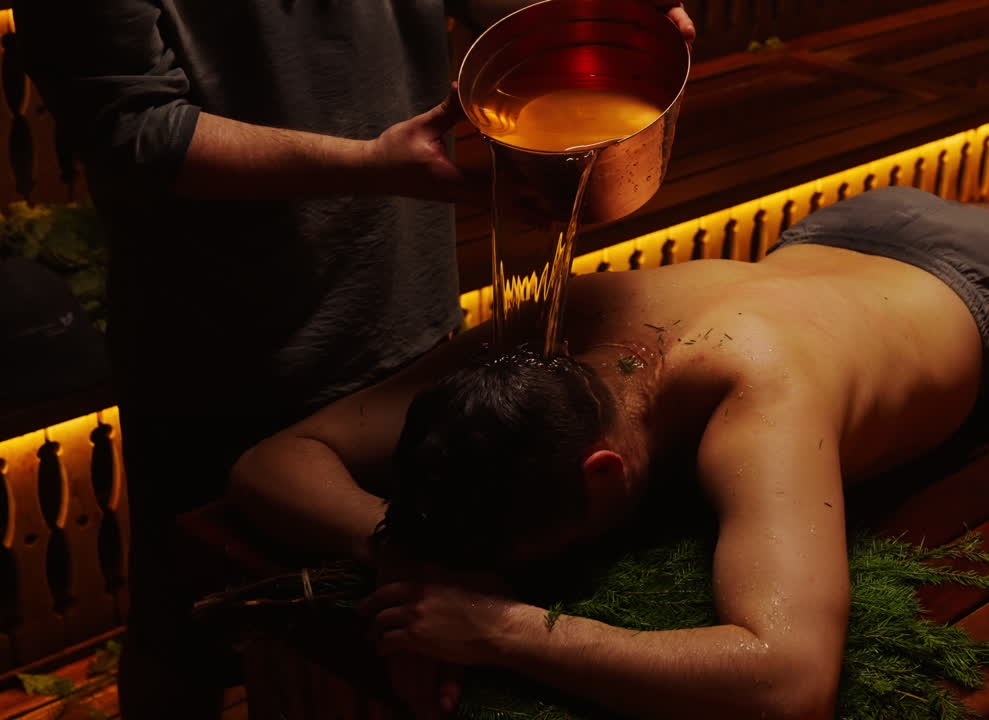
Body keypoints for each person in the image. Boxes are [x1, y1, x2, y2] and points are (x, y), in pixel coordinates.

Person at [231, 99, 989, 718]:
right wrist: (400, 555)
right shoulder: (547, 332)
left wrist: (505, 630)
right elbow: (273, 459)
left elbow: (786, 680)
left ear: (603, 473)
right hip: (862, 236)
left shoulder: (755, 397)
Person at [12, 1, 694, 718]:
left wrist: (603, 17)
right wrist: (371, 163)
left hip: (407, 304)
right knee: (188, 625)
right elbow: (132, 132)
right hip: (223, 346)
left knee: (411, 625)